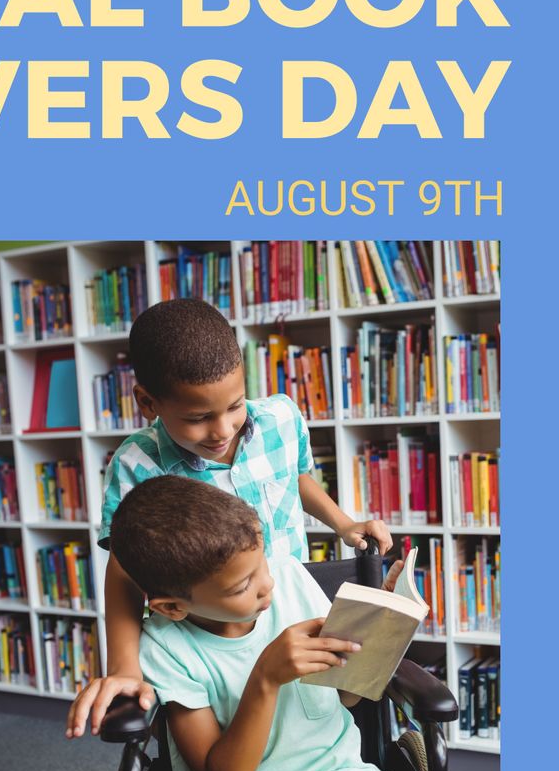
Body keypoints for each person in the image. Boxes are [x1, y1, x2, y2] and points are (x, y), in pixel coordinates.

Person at [67, 298, 392, 738]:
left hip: (288, 604)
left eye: (234, 406)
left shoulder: (280, 418)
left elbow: (293, 477)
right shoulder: (136, 464)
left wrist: (342, 523)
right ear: (147, 401)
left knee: (309, 716)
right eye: (199, 418)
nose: (222, 430)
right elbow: (124, 570)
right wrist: (124, 668)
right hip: (207, 634)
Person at [109, 475, 406, 771]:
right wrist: (265, 678)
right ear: (174, 607)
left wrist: (377, 637)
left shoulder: (288, 578)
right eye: (243, 585)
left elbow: (347, 697)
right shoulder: (165, 646)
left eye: (262, 563)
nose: (267, 584)